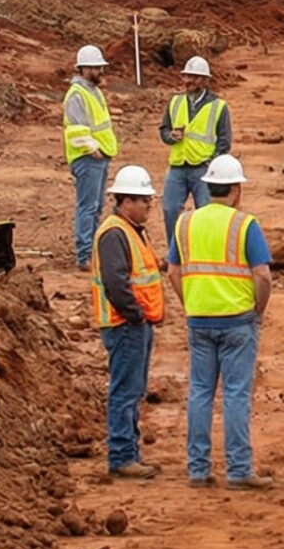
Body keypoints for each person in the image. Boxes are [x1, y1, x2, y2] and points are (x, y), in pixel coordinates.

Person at [169, 154, 274, 490]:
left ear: (208, 187)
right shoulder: (245, 225)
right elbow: (263, 275)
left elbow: (173, 271)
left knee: (200, 391)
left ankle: (198, 470)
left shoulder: (184, 223)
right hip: (238, 320)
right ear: (237, 191)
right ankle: (239, 469)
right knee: (235, 394)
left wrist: (191, 301)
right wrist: (258, 310)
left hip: (199, 319)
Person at [91, 165, 166, 481]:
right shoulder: (114, 233)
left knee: (134, 390)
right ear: (126, 201)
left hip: (135, 323)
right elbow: (116, 282)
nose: (150, 205)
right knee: (125, 391)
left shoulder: (131, 230)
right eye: (144, 200)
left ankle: (129, 453)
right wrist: (136, 315)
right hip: (125, 324)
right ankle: (122, 456)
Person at [159, 56, 232, 233]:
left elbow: (224, 140)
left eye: (195, 77)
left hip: (203, 169)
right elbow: (164, 130)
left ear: (205, 80)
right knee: (170, 210)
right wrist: (171, 136)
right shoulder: (175, 102)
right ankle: (175, 255)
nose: (189, 81)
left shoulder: (218, 106)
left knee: (206, 215)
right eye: (187, 76)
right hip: (178, 166)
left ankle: (204, 256)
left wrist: (212, 163)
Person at [63, 45, 117, 269]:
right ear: (82, 68)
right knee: (87, 206)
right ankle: (85, 255)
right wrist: (90, 148)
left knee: (96, 206)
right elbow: (76, 128)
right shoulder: (77, 94)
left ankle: (92, 250)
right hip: (88, 157)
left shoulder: (93, 91)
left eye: (100, 67)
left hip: (100, 154)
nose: (99, 71)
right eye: (94, 68)